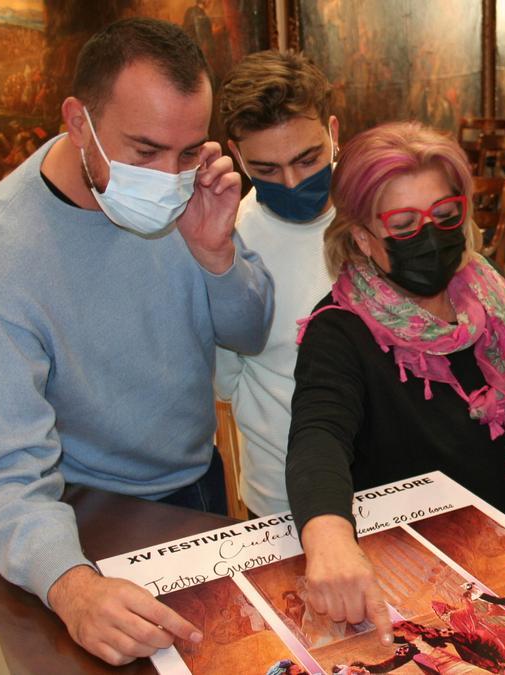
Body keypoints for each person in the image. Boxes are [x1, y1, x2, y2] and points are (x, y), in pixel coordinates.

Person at [0, 18, 274, 666]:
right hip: (81, 517)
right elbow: (3, 474)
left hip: (196, 483)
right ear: (78, 121)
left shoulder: (192, 197)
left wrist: (216, 256)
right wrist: (70, 586)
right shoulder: (2, 248)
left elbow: (249, 331)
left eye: (188, 153)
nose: (168, 176)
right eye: (145, 150)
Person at [286, 121, 505, 644]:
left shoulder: (485, 293)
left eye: (445, 216)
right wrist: (328, 533)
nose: (430, 238)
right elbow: (318, 436)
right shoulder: (340, 329)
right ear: (363, 237)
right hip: (418, 585)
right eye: (403, 225)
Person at [215, 50, 339, 517]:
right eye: (266, 170)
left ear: (333, 132)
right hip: (280, 497)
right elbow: (224, 384)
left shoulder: (374, 214)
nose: (291, 182)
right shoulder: (226, 243)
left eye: (308, 159)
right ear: (237, 156)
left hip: (387, 482)